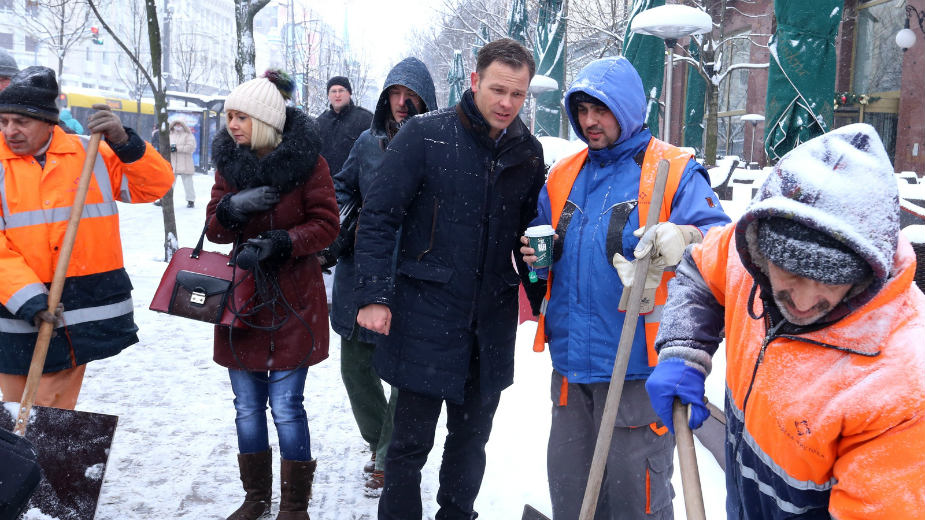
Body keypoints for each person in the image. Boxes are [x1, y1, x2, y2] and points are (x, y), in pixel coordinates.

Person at [645, 123, 925, 519]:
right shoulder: (748, 255)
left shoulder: (900, 388)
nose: (804, 302)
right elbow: (700, 271)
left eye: (830, 280)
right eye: (789, 273)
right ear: (761, 254)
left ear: (866, 274)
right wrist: (682, 349)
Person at [519, 56, 730, 519]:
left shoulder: (673, 169)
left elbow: (722, 245)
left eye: (602, 109)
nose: (589, 122)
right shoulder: (563, 175)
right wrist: (537, 260)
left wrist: (685, 237)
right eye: (582, 110)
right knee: (573, 497)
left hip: (638, 368)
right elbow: (541, 261)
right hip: (571, 370)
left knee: (637, 502)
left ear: (628, 108)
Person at [353, 38, 546, 519]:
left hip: (489, 324)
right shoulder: (425, 134)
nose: (506, 103)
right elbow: (378, 217)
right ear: (475, 81)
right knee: (408, 447)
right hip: (425, 317)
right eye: (498, 89)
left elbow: (530, 238)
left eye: (517, 94)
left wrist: (543, 293)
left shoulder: (528, 152)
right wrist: (374, 294)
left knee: (470, 443)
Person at [207, 69, 338, 520]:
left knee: (285, 406)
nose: (232, 125)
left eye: (241, 116)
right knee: (247, 407)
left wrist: (283, 242)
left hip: (293, 301)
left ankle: (295, 506)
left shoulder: (310, 163)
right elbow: (214, 229)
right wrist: (232, 207)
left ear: (264, 120)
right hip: (242, 300)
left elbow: (327, 225)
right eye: (229, 116)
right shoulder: (230, 162)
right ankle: (256, 498)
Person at [0, 66, 173, 409]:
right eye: (3, 121)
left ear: (48, 122)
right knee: (17, 405)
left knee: (48, 407)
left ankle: (42, 446)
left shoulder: (89, 153)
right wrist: (28, 297)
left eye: (21, 121)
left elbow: (154, 186)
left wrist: (124, 143)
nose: (9, 131)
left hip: (78, 307)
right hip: (14, 309)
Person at [325, 57, 437, 494]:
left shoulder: (438, 146)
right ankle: (378, 442)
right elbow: (341, 185)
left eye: (411, 96)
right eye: (395, 94)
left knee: (404, 374)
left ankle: (389, 457)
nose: (402, 103)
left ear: (425, 100)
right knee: (354, 368)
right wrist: (350, 215)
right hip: (362, 267)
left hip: (411, 272)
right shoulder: (367, 142)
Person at [317, 75, 373, 179]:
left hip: (355, 184)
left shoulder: (365, 119)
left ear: (349, 93)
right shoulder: (320, 122)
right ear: (328, 95)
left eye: (341, 90)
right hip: (326, 184)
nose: (337, 95)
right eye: (333, 91)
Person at [169, 119, 197, 208]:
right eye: (176, 124)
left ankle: (191, 200)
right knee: (169, 183)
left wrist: (177, 148)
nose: (177, 126)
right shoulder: (170, 134)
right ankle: (165, 200)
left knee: (188, 184)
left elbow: (191, 147)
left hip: (185, 163)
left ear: (183, 125)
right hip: (173, 163)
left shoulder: (188, 135)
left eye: (179, 124)